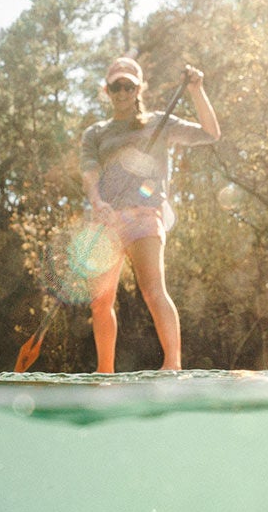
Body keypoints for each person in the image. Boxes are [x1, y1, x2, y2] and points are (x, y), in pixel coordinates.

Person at [80, 57, 221, 373]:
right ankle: (105, 373)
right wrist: (96, 201)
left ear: (137, 88)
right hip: (107, 220)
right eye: (116, 86)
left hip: (145, 215)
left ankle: (172, 365)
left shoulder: (159, 121)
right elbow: (89, 171)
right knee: (100, 302)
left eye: (128, 85)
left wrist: (197, 90)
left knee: (153, 289)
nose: (122, 92)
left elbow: (211, 133)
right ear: (107, 89)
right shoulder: (96, 133)